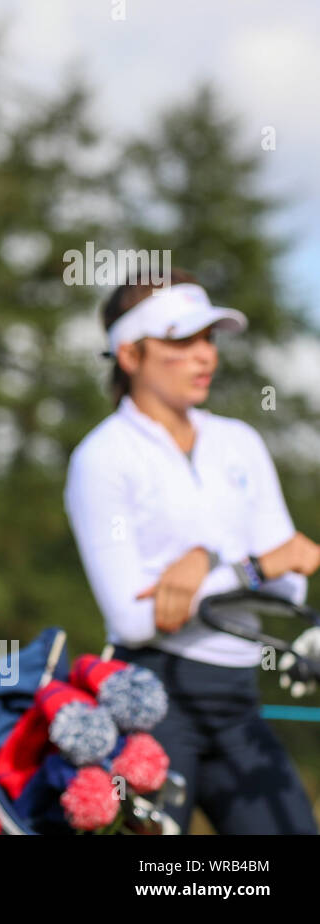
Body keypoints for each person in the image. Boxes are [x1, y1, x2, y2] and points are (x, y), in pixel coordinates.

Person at [64, 269, 320, 834]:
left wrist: (206, 563)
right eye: (183, 342)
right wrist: (247, 566)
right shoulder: (100, 458)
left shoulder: (241, 442)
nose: (206, 356)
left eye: (210, 339)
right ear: (130, 354)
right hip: (151, 702)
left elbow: (290, 583)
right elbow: (134, 621)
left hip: (237, 698)